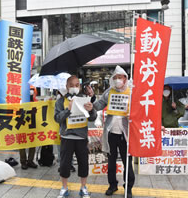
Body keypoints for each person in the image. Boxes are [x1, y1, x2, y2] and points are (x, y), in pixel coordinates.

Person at [92, 65, 134, 198]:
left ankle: (128, 187)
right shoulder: (109, 92)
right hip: (111, 132)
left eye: (120, 77)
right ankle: (112, 185)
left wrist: (132, 114)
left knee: (127, 161)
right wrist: (91, 103)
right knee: (111, 161)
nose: (117, 80)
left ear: (125, 78)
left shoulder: (132, 92)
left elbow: (140, 110)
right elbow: (99, 105)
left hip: (126, 134)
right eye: (115, 78)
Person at [54, 75, 96, 198]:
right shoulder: (61, 101)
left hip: (82, 138)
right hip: (67, 137)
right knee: (65, 164)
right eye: (71, 85)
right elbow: (57, 118)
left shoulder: (84, 99)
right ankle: (64, 188)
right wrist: (68, 110)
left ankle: (83, 187)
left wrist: (91, 110)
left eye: (77, 85)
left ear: (80, 86)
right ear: (66, 87)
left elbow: (92, 118)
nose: (74, 88)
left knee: (83, 163)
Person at [19, 86, 38, 169]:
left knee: (32, 143)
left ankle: (30, 160)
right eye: (29, 90)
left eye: (32, 90)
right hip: (22, 124)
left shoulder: (36, 101)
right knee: (22, 143)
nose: (31, 92)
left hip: (32, 125)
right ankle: (23, 161)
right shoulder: (21, 101)